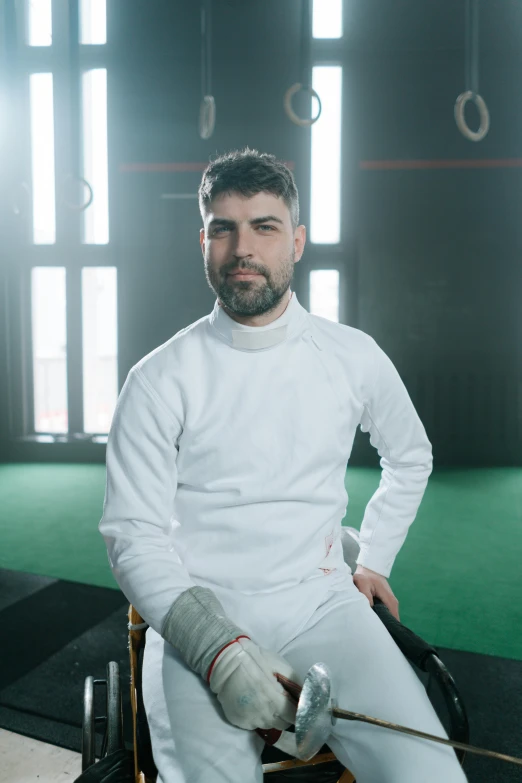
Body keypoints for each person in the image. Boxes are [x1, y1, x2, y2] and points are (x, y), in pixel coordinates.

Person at [99, 148, 468, 782]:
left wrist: (374, 557)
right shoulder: (158, 378)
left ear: (295, 241)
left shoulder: (351, 355)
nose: (243, 247)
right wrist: (215, 649)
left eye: (264, 227)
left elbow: (410, 455)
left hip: (323, 604)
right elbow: (132, 536)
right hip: (198, 615)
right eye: (224, 228)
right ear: (204, 241)